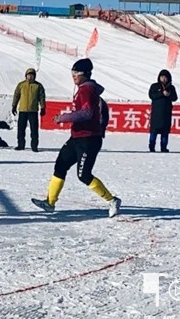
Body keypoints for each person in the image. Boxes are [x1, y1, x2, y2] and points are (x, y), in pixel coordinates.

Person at [32, 58, 121, 217]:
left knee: (84, 175)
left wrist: (65, 117)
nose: (73, 76)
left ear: (85, 74)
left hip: (88, 140)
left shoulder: (86, 89)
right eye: (72, 72)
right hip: (77, 138)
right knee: (60, 165)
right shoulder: (84, 89)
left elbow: (87, 113)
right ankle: (50, 203)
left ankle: (112, 200)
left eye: (76, 73)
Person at [11, 67, 46, 151]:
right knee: (21, 129)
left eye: (32, 75)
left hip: (33, 111)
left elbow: (42, 97)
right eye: (29, 75)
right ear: (26, 76)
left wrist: (43, 107)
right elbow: (16, 96)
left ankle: (34, 146)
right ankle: (20, 145)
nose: (30, 77)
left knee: (34, 130)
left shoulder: (38, 86)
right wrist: (14, 106)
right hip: (22, 110)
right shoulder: (21, 85)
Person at [148, 69, 178, 152]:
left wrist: (169, 95)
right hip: (156, 113)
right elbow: (151, 95)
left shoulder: (171, 87)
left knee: (165, 132)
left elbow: (175, 98)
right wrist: (161, 93)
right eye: (162, 77)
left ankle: (164, 147)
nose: (164, 79)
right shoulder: (155, 86)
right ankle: (151, 147)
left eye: (165, 77)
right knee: (153, 132)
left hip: (166, 113)